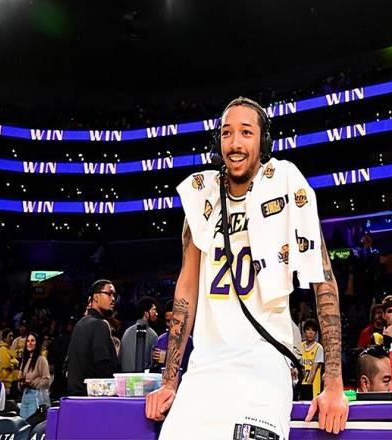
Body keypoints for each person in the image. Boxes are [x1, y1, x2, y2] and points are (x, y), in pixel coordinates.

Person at [146, 97, 348, 438]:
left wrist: (334, 383)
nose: (235, 143)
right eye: (227, 133)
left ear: (263, 141)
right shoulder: (202, 197)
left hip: (264, 366)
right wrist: (169, 381)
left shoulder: (286, 184)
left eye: (246, 132)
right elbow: (187, 289)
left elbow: (323, 281)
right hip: (205, 368)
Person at [67, 279, 118, 395]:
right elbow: (103, 368)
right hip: (93, 398)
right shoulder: (100, 325)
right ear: (96, 297)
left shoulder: (80, 323)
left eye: (114, 295)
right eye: (109, 293)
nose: (113, 299)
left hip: (76, 397)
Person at [119, 296, 158, 372]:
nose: (156, 313)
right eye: (154, 310)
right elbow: (153, 364)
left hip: (124, 377)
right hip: (142, 378)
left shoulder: (127, 331)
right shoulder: (152, 334)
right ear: (146, 313)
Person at [18, 333, 50, 419]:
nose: (30, 343)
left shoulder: (41, 359)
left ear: (37, 343)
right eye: (28, 341)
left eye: (32, 341)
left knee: (32, 423)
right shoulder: (24, 360)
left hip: (36, 396)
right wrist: (21, 383)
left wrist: (32, 383)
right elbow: (20, 379)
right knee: (23, 424)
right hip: (25, 395)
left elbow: (46, 381)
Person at [300, 319, 324, 400]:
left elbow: (314, 368)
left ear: (316, 333)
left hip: (313, 387)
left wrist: (307, 386)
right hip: (300, 385)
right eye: (308, 330)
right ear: (304, 332)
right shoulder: (300, 346)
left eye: (313, 330)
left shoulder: (318, 348)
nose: (310, 332)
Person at [0, 328, 19, 395]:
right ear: (4, 338)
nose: (12, 338)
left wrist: (13, 362)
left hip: (10, 381)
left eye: (12, 336)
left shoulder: (9, 349)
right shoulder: (2, 349)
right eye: (9, 336)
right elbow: (7, 365)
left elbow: (16, 361)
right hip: (3, 381)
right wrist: (14, 363)